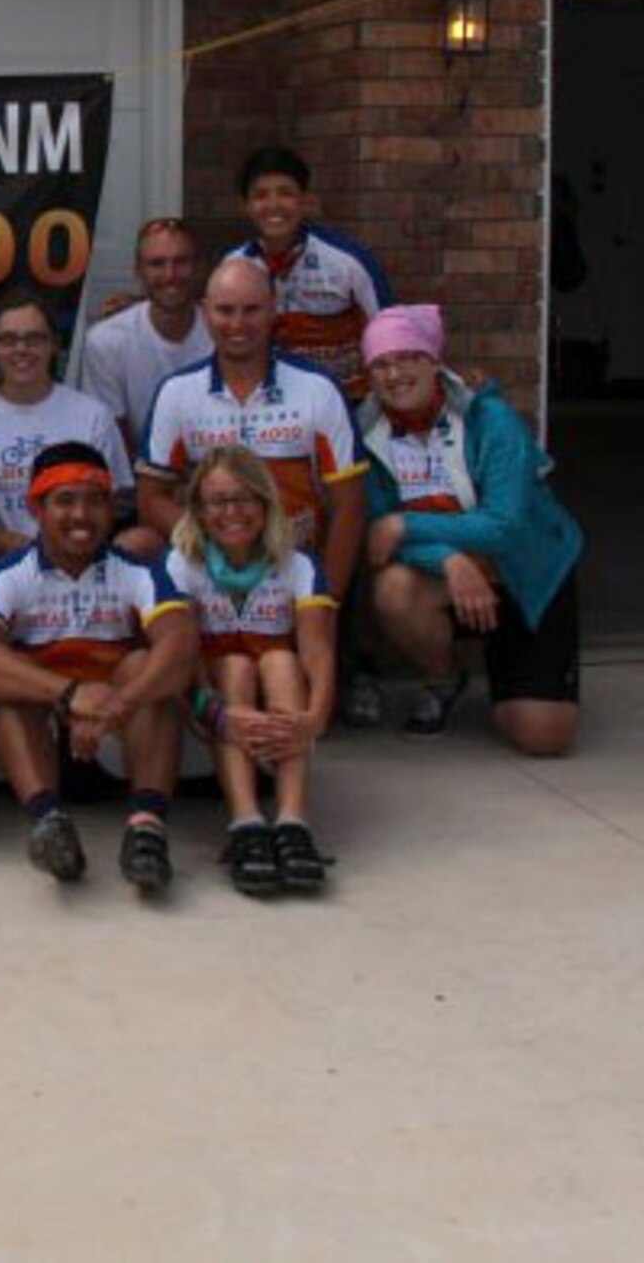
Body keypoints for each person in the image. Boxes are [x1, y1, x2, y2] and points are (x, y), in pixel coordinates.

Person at [0, 442, 197, 891]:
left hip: (117, 738)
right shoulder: (8, 573)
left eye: (95, 501)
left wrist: (118, 703)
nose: (81, 515)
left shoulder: (138, 571)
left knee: (149, 666)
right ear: (37, 508)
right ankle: (49, 824)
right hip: (37, 745)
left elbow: (180, 645)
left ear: (111, 508)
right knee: (10, 689)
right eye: (65, 501)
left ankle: (147, 829)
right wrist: (69, 693)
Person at [356, 304, 582, 755]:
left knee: (544, 738)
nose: (395, 373)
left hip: (526, 573)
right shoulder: (365, 434)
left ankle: (515, 669)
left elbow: (502, 526)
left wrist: (405, 522)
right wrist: (449, 559)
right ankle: (444, 679)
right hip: (449, 578)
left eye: (408, 357)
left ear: (434, 361)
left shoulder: (490, 419)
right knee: (393, 589)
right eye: (380, 363)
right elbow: (379, 541)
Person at [137, 259, 369, 611]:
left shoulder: (318, 388)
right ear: (205, 312)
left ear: (274, 310)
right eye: (225, 310)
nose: (237, 324)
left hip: (294, 569)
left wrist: (326, 602)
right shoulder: (176, 391)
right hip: (207, 568)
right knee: (133, 544)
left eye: (251, 310)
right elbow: (150, 499)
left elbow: (349, 506)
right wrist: (213, 545)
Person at [163, 446, 337, 894]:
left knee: (280, 660)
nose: (232, 512)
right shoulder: (181, 563)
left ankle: (293, 820)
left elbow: (317, 651)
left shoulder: (298, 564)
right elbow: (179, 657)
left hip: (281, 719)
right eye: (218, 501)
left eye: (244, 498)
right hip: (208, 715)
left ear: (266, 504)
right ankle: (245, 823)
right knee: (235, 665)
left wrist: (314, 719)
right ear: (199, 510)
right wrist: (211, 710)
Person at [0, 291, 137, 561]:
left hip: (83, 554)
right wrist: (25, 549)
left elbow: (115, 505)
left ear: (54, 345)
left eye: (34, 339)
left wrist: (67, 546)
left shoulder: (93, 415)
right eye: (9, 340)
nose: (21, 349)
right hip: (5, 561)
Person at [223, 144, 393, 402]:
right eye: (260, 195)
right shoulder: (233, 268)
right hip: (271, 409)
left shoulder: (348, 260)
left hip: (348, 403)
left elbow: (391, 331)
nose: (273, 205)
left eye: (285, 193)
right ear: (245, 206)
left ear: (305, 200)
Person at [79, 217, 215, 453]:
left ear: (199, 268)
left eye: (181, 262)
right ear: (138, 271)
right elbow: (113, 437)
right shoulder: (106, 341)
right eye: (157, 264)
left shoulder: (223, 331)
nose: (170, 274)